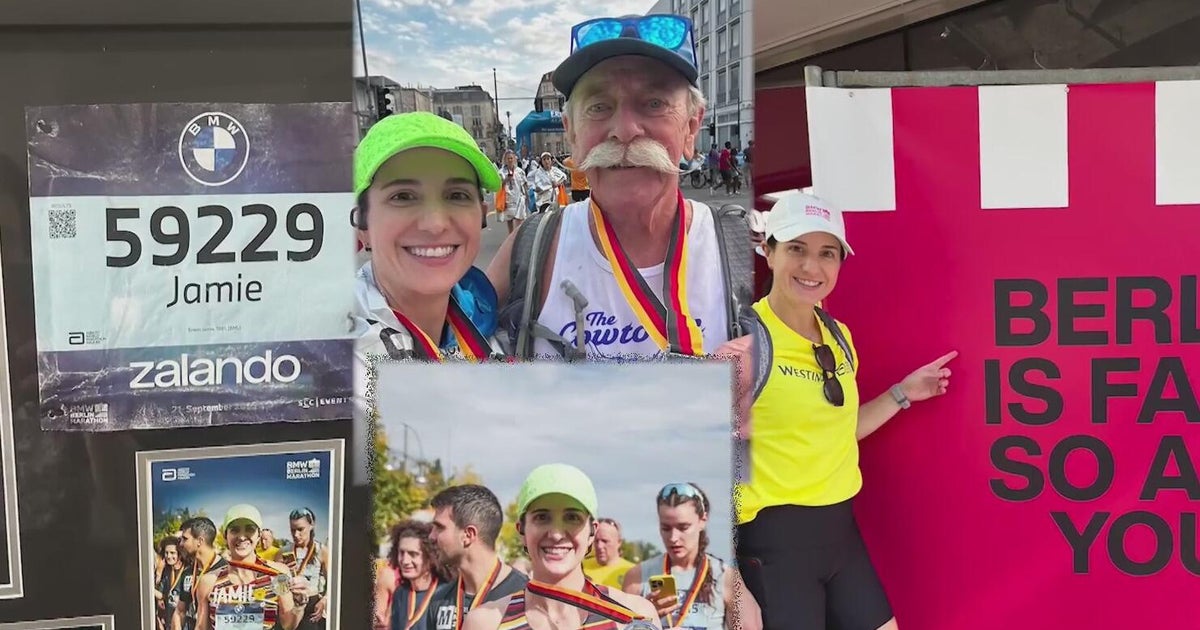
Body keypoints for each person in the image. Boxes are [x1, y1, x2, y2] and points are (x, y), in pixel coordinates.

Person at [734, 191, 958, 630]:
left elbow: (839, 431)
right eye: (797, 248)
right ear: (769, 251)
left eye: (827, 253)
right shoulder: (742, 345)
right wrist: (732, 587)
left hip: (840, 537)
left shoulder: (838, 336)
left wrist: (903, 393)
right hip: (774, 551)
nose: (812, 267)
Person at [487, 14, 754, 361]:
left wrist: (774, 367)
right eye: (599, 107)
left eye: (654, 103)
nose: (625, 129)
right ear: (572, 133)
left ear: (691, 128)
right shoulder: (531, 246)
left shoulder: (743, 246)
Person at [351, 111, 507, 368]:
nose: (435, 224)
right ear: (362, 225)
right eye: (403, 196)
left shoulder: (487, 314)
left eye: (457, 195)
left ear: (481, 214)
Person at [463, 464, 659, 630]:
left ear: (592, 532)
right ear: (521, 530)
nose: (556, 534)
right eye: (542, 517)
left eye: (572, 517)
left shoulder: (634, 618)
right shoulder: (486, 622)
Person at [622, 483, 734, 629]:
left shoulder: (726, 577)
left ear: (702, 521)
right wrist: (646, 617)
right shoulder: (636, 577)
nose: (673, 537)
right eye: (666, 528)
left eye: (683, 527)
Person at [422, 485, 528, 630]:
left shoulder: (526, 596)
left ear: (468, 535)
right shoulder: (439, 599)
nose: (431, 536)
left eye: (439, 527)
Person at [194, 505, 306, 630]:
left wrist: (299, 604)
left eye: (250, 529)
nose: (242, 536)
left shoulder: (277, 574)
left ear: (259, 535)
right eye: (235, 530)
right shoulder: (209, 581)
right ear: (226, 536)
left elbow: (288, 624)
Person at [376, 520, 453, 630]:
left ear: (431, 557)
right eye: (401, 553)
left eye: (413, 554)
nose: (405, 560)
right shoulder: (400, 593)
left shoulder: (446, 594)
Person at [279, 508, 332, 629]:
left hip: (311, 606)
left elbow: (332, 583)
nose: (296, 535)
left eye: (300, 529)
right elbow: (277, 586)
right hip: (289, 605)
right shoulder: (283, 552)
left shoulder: (322, 551)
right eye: (293, 530)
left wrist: (324, 600)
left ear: (311, 525)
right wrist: (283, 574)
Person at [173, 516, 229, 630]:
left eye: (185, 539)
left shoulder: (227, 572)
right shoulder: (188, 572)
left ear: (200, 541)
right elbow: (180, 612)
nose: (181, 544)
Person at [581, 518, 633, 589]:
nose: (599, 546)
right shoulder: (580, 567)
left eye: (605, 541)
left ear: (619, 542)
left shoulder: (632, 572)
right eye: (596, 541)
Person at [497, 150, 531, 235]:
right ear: (505, 160)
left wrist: (527, 196)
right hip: (508, 198)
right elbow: (498, 185)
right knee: (509, 219)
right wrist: (506, 180)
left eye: (511, 158)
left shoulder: (520, 171)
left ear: (514, 159)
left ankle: (517, 235)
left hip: (519, 197)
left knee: (520, 217)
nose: (510, 160)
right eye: (508, 158)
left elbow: (525, 184)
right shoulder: (501, 172)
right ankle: (511, 235)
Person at [157, 537, 186, 630]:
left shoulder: (187, 571)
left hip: (184, 623)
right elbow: (162, 595)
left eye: (172, 553)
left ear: (180, 554)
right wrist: (158, 573)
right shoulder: (166, 571)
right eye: (166, 553)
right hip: (169, 621)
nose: (168, 556)